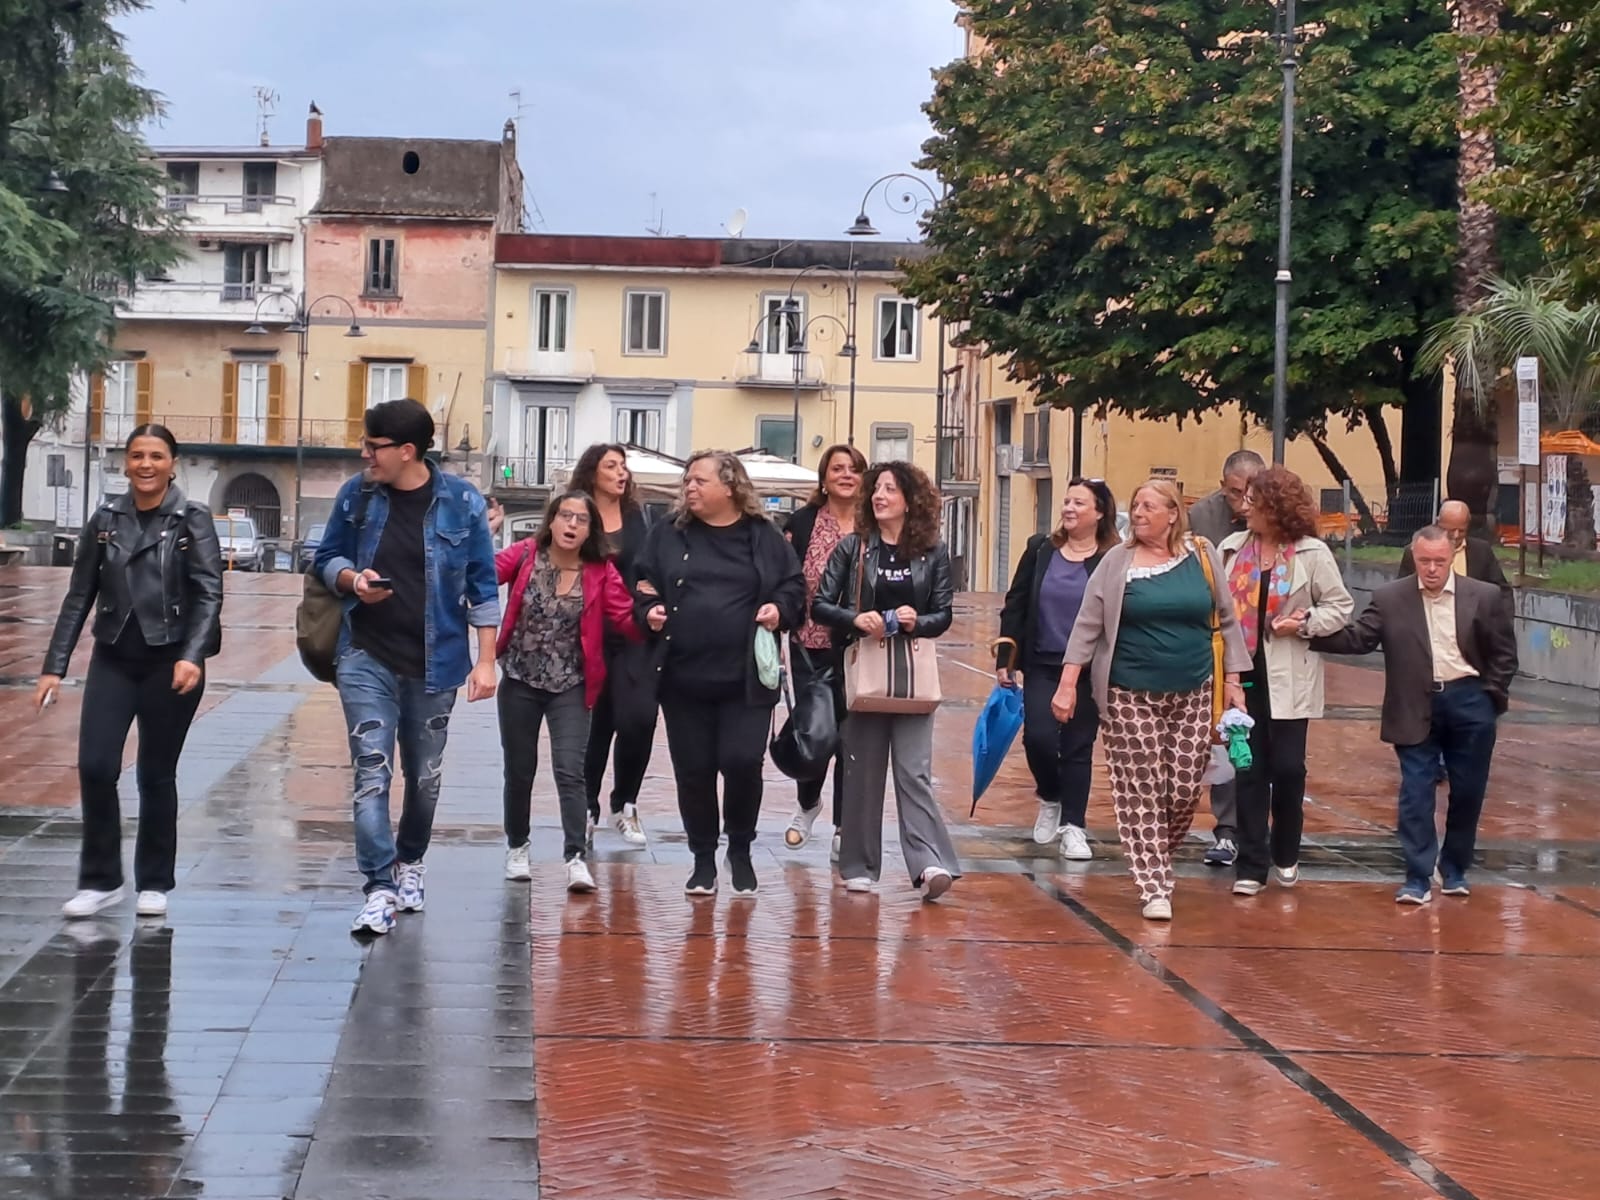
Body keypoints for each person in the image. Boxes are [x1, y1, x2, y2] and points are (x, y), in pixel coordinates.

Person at [314, 398, 501, 936]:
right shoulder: (357, 496)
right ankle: (378, 888)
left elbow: (483, 584)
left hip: (436, 663)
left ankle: (410, 861)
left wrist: (486, 661)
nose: (364, 454)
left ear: (408, 451)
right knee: (372, 772)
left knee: (424, 777)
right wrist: (353, 580)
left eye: (374, 446)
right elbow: (325, 557)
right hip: (364, 654)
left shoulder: (462, 502)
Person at [36, 425, 223, 921]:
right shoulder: (106, 520)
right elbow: (80, 595)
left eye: (156, 456)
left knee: (155, 773)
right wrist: (54, 667)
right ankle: (100, 881)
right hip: (113, 657)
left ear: (172, 463)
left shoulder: (192, 519)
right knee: (96, 765)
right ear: (126, 463)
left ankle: (155, 882)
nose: (145, 465)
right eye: (137, 455)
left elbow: (209, 593)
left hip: (170, 662)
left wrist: (192, 655)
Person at [1052, 479, 1250, 921]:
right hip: (1128, 691)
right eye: (1136, 505)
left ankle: (1154, 852)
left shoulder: (1202, 554)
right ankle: (1154, 884)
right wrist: (1068, 683)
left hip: (1195, 687)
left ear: (1172, 514)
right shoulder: (1116, 561)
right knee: (1141, 786)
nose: (1138, 513)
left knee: (1182, 789)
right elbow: (1087, 625)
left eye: (1148, 506)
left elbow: (1226, 619)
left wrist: (1234, 681)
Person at [1306, 525, 1517, 903]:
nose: (1432, 569)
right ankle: (1417, 876)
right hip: (1413, 702)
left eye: (1439, 561)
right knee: (1416, 792)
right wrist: (1307, 630)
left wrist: (1491, 696)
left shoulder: (1483, 596)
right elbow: (1360, 638)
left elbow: (1504, 653)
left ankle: (1454, 868)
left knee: (1468, 791)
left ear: (1452, 557)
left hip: (1470, 700)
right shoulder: (1391, 598)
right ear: (1414, 558)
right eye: (1424, 561)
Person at [633, 451, 806, 897]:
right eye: (687, 481)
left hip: (745, 679)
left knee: (742, 762)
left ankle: (740, 849)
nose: (689, 487)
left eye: (699, 480)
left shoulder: (762, 535)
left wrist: (778, 609)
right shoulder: (668, 533)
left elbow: (794, 585)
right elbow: (642, 582)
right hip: (682, 678)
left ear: (730, 487)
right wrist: (649, 609)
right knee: (694, 770)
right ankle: (703, 859)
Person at [813, 461, 961, 900]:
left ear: (910, 501)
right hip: (865, 673)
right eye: (876, 489)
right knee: (862, 770)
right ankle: (859, 865)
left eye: (890, 490)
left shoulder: (933, 552)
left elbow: (943, 614)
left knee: (914, 772)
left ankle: (929, 863)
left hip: (912, 676)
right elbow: (821, 604)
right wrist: (856, 618)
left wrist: (919, 621)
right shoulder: (854, 547)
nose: (879, 496)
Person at [496, 490, 640, 894]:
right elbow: (482, 576)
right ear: (552, 520)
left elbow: (625, 617)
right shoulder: (526, 555)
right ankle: (518, 847)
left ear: (591, 530)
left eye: (581, 519)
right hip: (520, 680)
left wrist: (655, 616)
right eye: (565, 516)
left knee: (569, 770)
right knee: (520, 769)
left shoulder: (600, 571)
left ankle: (576, 856)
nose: (572, 524)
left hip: (571, 685)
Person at [1218, 467, 1354, 897]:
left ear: (1275, 506)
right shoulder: (1230, 549)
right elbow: (1217, 609)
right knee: (1248, 767)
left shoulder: (1311, 554)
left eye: (1253, 500)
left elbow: (1340, 606)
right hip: (1241, 673)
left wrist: (1305, 622)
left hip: (1290, 673)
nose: (1245, 507)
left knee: (1289, 767)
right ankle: (1251, 865)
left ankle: (1286, 849)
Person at [997, 477, 1119, 860]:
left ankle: (1073, 827)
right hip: (1042, 662)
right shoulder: (1040, 550)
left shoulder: (1112, 558)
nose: (1068, 508)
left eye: (1079, 503)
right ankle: (1050, 795)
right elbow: (1016, 603)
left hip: (1089, 669)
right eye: (1067, 501)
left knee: (1078, 747)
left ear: (1099, 513)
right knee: (1039, 738)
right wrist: (1006, 658)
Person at [782, 443, 867, 858]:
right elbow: (786, 578)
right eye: (837, 469)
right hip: (809, 647)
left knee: (852, 740)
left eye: (854, 469)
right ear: (824, 478)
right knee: (816, 735)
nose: (846, 475)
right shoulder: (802, 523)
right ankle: (807, 803)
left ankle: (843, 826)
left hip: (861, 649)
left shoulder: (874, 525)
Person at [569, 443, 656, 849]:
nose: (621, 473)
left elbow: (650, 565)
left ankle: (625, 803)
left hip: (634, 631)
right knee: (596, 725)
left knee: (639, 719)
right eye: (611, 466)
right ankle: (587, 806)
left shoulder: (638, 515)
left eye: (623, 466)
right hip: (588, 632)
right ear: (592, 472)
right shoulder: (576, 513)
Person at [1184, 448, 1264, 868]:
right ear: (1222, 488)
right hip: (1216, 645)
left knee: (1267, 747)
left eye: (1253, 491)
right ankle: (1228, 830)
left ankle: (1261, 829)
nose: (1245, 501)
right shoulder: (1201, 517)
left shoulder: (1280, 510)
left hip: (1267, 647)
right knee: (1225, 737)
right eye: (1235, 492)